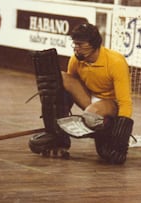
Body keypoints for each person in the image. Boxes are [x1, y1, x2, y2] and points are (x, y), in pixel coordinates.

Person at [28, 23, 133, 164]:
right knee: (60, 79)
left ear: (94, 44)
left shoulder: (116, 62)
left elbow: (125, 102)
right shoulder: (75, 60)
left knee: (90, 115)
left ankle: (106, 127)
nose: (76, 48)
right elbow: (66, 91)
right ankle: (59, 137)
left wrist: (122, 135)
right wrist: (57, 118)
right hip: (89, 100)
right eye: (75, 44)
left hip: (110, 103)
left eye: (80, 44)